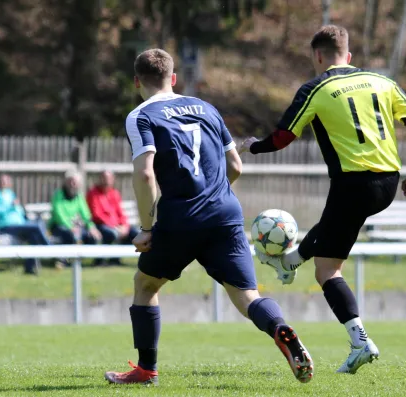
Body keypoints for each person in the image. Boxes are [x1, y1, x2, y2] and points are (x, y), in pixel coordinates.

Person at [104, 49, 314, 386]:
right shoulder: (206, 108)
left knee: (145, 285)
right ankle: (279, 328)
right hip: (224, 214)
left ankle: (145, 371)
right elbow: (236, 166)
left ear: (136, 82)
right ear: (173, 79)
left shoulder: (141, 116)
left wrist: (146, 228)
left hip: (180, 216)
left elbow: (144, 175)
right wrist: (212, 196)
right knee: (247, 296)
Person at [239, 25, 406, 375]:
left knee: (327, 270)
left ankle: (360, 341)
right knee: (331, 237)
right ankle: (290, 262)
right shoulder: (382, 81)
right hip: (387, 182)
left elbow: (282, 137)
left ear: (318, 56)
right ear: (349, 56)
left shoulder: (317, 88)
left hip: (353, 183)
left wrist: (253, 146)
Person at [0, 173, 53, 275]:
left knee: (33, 236)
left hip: (19, 224)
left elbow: (19, 210)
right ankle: (51, 250)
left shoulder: (10, 193)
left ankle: (29, 267)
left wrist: (21, 214)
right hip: (5, 225)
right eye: (2, 180)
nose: (4, 183)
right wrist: (9, 207)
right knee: (36, 228)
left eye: (6, 180)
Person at [87, 170, 139, 265]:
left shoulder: (115, 193)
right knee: (111, 233)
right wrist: (115, 226)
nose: (106, 181)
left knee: (136, 233)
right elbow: (96, 215)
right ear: (100, 179)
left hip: (118, 226)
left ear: (113, 180)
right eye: (104, 178)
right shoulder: (93, 193)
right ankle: (103, 259)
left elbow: (121, 214)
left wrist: (125, 226)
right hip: (101, 225)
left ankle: (116, 259)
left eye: (109, 178)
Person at [49, 170, 102, 247]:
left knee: (92, 236)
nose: (73, 184)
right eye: (70, 181)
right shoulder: (58, 195)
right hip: (59, 226)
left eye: (75, 182)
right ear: (66, 182)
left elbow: (86, 214)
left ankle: (83, 257)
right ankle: (65, 258)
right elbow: (59, 216)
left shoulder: (79, 197)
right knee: (70, 235)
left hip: (75, 226)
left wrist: (91, 227)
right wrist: (71, 227)